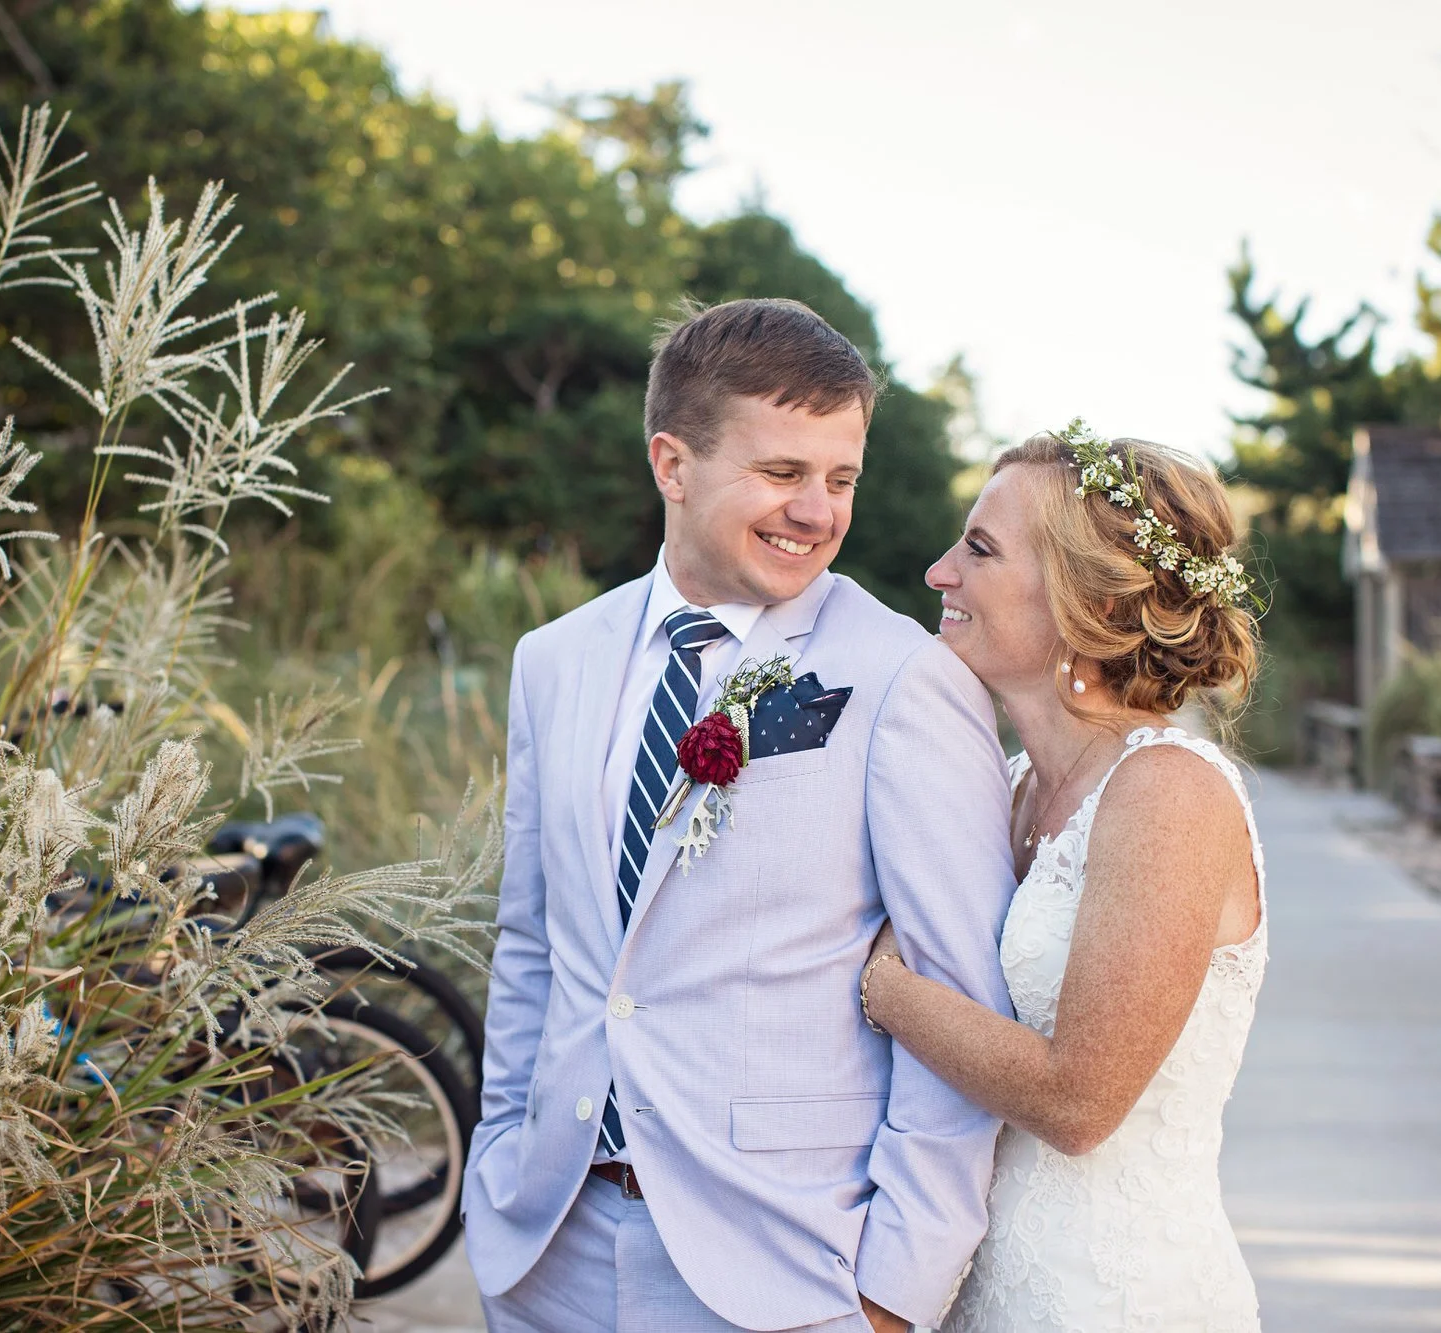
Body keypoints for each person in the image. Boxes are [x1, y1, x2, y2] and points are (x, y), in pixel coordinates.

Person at [462, 298, 1018, 1333]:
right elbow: (532, 944)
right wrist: (497, 1164)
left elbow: (960, 1000)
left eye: (838, 478)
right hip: (546, 1251)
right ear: (672, 464)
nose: (815, 511)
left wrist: (892, 1292)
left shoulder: (902, 677)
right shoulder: (553, 660)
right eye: (781, 473)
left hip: (782, 1272)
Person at [860, 421, 1266, 1331]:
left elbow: (1080, 1100)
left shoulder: (1170, 792)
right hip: (978, 1288)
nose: (938, 572)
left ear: (1088, 603)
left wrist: (883, 985)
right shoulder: (1004, 788)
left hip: (1118, 1298)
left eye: (980, 549)